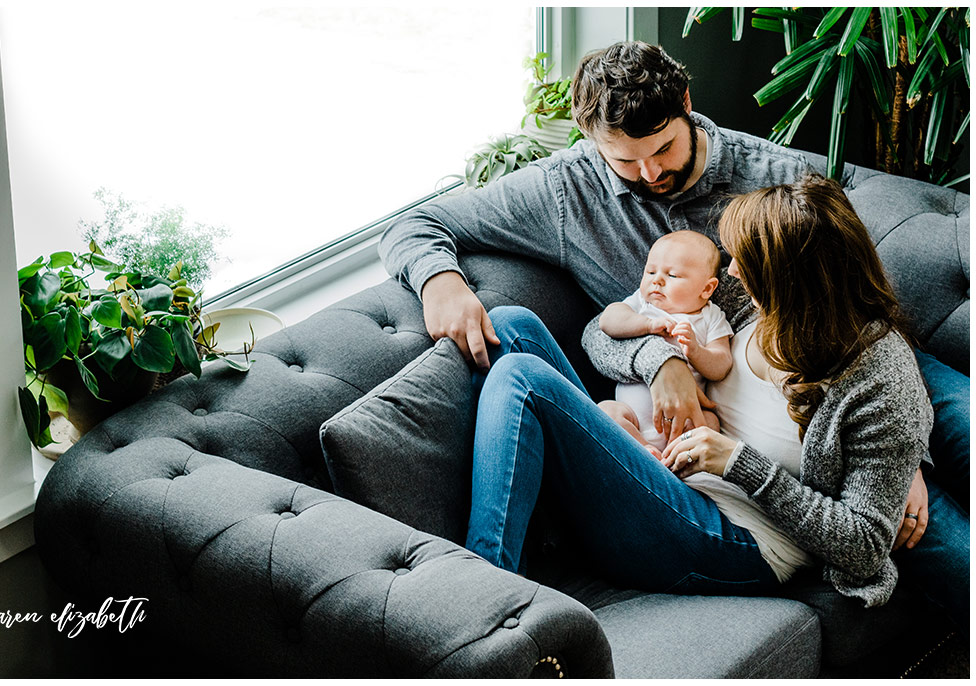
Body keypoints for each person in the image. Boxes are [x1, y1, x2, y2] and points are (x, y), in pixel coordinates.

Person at [379, 40, 967, 606]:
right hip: (723, 385)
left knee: (938, 461)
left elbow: (851, 300)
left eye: (662, 149)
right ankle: (494, 590)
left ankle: (482, 591)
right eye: (625, 160)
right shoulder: (567, 193)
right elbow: (418, 226)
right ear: (591, 141)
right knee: (511, 327)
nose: (649, 172)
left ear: (685, 103)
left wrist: (904, 456)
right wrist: (441, 281)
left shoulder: (771, 183)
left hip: (833, 359)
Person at [464, 175, 967, 629]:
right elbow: (604, 331)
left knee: (521, 377)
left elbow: (863, 547)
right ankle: (535, 526)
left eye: (741, 263)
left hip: (738, 535)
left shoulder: (877, 377)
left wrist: (738, 463)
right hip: (668, 465)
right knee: (513, 325)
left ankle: (479, 608)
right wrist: (665, 363)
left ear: (787, 280)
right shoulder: (751, 304)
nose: (729, 274)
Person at [598, 230, 732, 456]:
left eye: (672, 276)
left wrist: (697, 352)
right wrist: (647, 325)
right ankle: (643, 448)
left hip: (686, 421)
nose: (656, 280)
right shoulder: (642, 305)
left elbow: (722, 366)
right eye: (650, 271)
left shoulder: (710, 317)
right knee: (607, 410)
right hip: (632, 418)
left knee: (710, 423)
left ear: (707, 288)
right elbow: (607, 321)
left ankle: (677, 458)